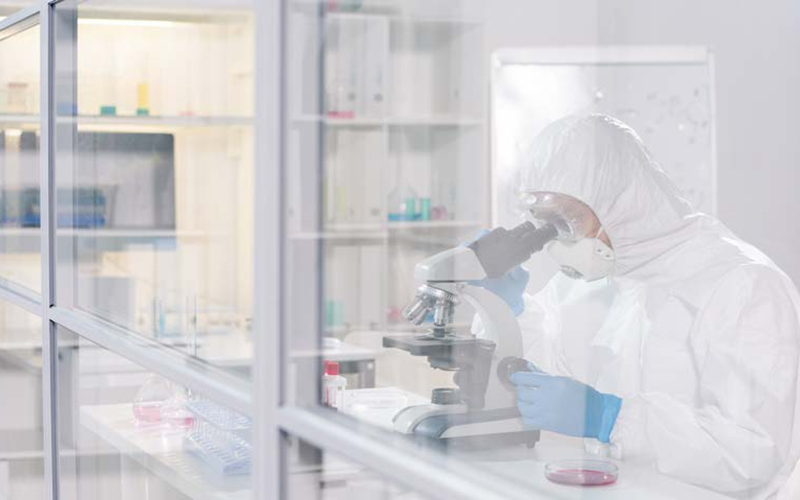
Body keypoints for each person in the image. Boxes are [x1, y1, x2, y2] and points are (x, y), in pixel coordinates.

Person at [487, 114, 800, 499]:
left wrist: (612, 419)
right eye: (546, 222)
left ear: (620, 201)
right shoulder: (593, 278)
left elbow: (751, 454)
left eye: (567, 220)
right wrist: (506, 312)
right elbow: (547, 379)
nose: (558, 241)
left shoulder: (743, 285)